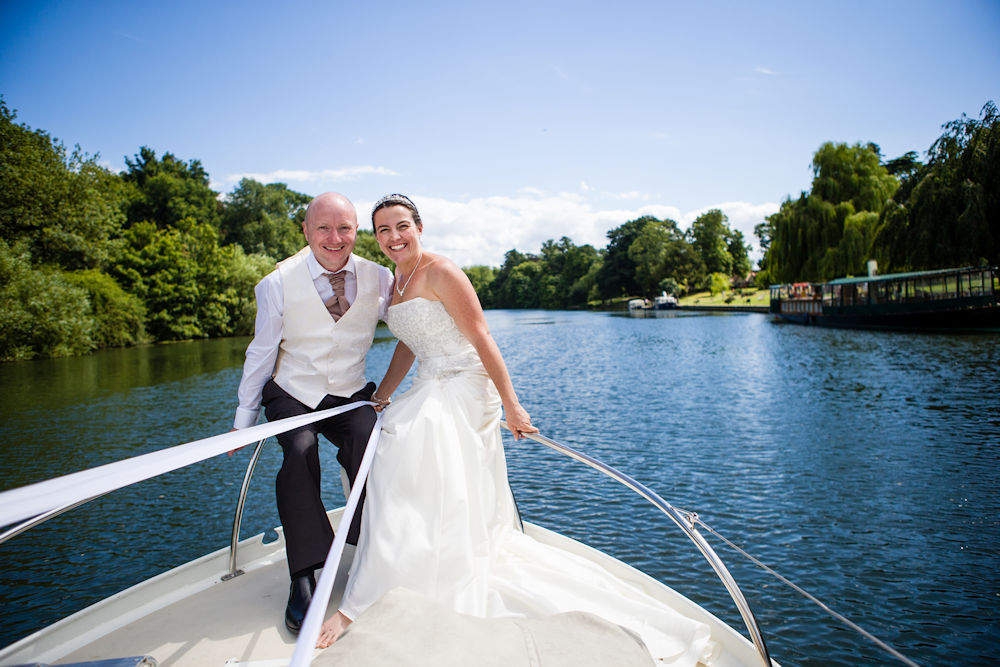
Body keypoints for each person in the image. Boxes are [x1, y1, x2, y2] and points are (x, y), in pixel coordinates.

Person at [315, 195, 716, 666]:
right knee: (385, 441)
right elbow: (409, 343)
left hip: (465, 383)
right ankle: (409, 563)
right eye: (383, 230)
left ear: (419, 226)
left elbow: (482, 335)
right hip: (429, 382)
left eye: (401, 226)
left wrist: (512, 403)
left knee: (405, 449)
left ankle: (401, 579)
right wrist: (381, 394)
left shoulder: (442, 271)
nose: (393, 237)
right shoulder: (395, 282)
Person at [231, 192, 393, 635]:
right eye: (323, 227)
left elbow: (406, 324)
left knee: (370, 439)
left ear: (356, 232)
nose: (334, 238)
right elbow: (262, 351)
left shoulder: (380, 278)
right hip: (293, 391)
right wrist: (243, 421)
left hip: (350, 392)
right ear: (305, 231)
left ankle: (367, 547)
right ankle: (303, 576)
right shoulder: (277, 283)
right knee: (300, 451)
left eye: (345, 228)